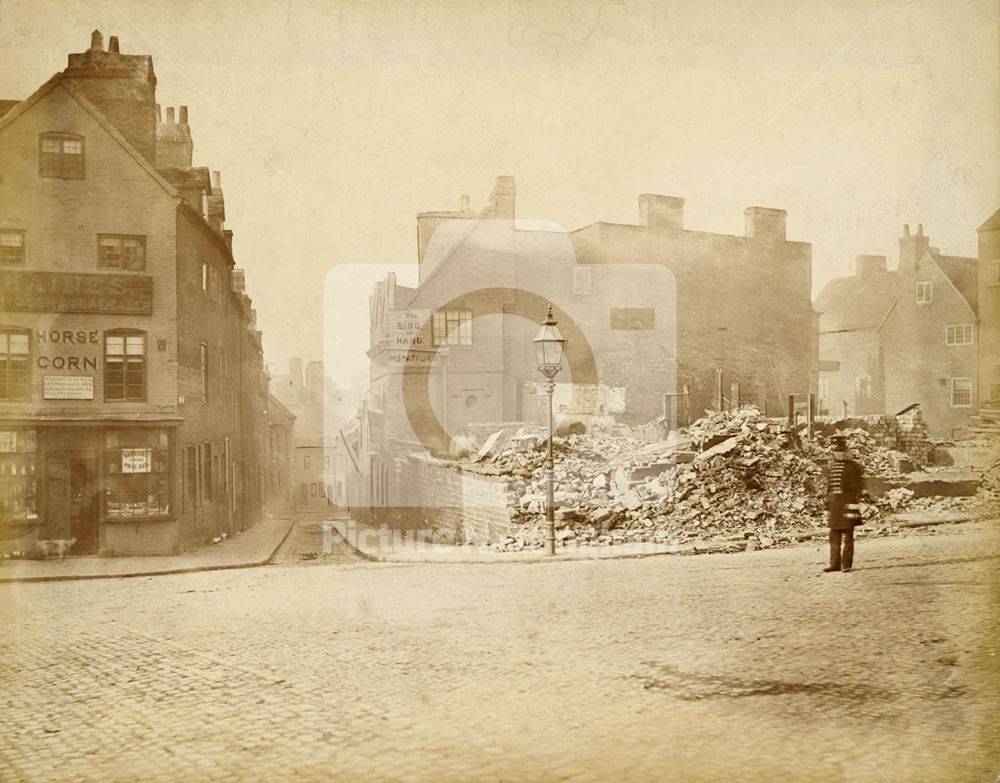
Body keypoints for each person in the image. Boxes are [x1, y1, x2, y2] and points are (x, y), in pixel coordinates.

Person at [824, 434, 863, 573]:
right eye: (834, 450)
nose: (835, 453)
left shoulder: (853, 466)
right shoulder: (833, 466)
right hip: (835, 505)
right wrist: (827, 504)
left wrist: (850, 500)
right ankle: (834, 564)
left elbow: (857, 486)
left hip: (847, 503)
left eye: (837, 450)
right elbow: (830, 487)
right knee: (834, 537)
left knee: (848, 536)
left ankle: (846, 564)